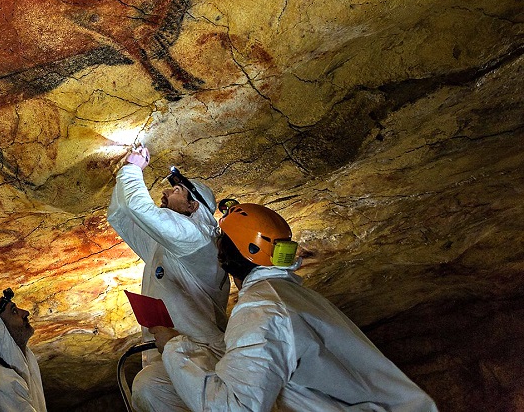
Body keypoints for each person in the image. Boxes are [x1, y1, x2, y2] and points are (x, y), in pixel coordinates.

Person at [150, 202, 439, 411]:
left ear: (224, 255)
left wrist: (175, 348)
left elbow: (232, 408)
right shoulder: (290, 295)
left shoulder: (261, 311)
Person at [108, 145, 230, 412]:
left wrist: (133, 168)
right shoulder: (167, 246)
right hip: (174, 354)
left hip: (199, 357)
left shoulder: (197, 238)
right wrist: (122, 175)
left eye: (175, 191)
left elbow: (141, 209)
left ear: (193, 205)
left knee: (149, 386)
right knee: (148, 386)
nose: (164, 193)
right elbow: (120, 216)